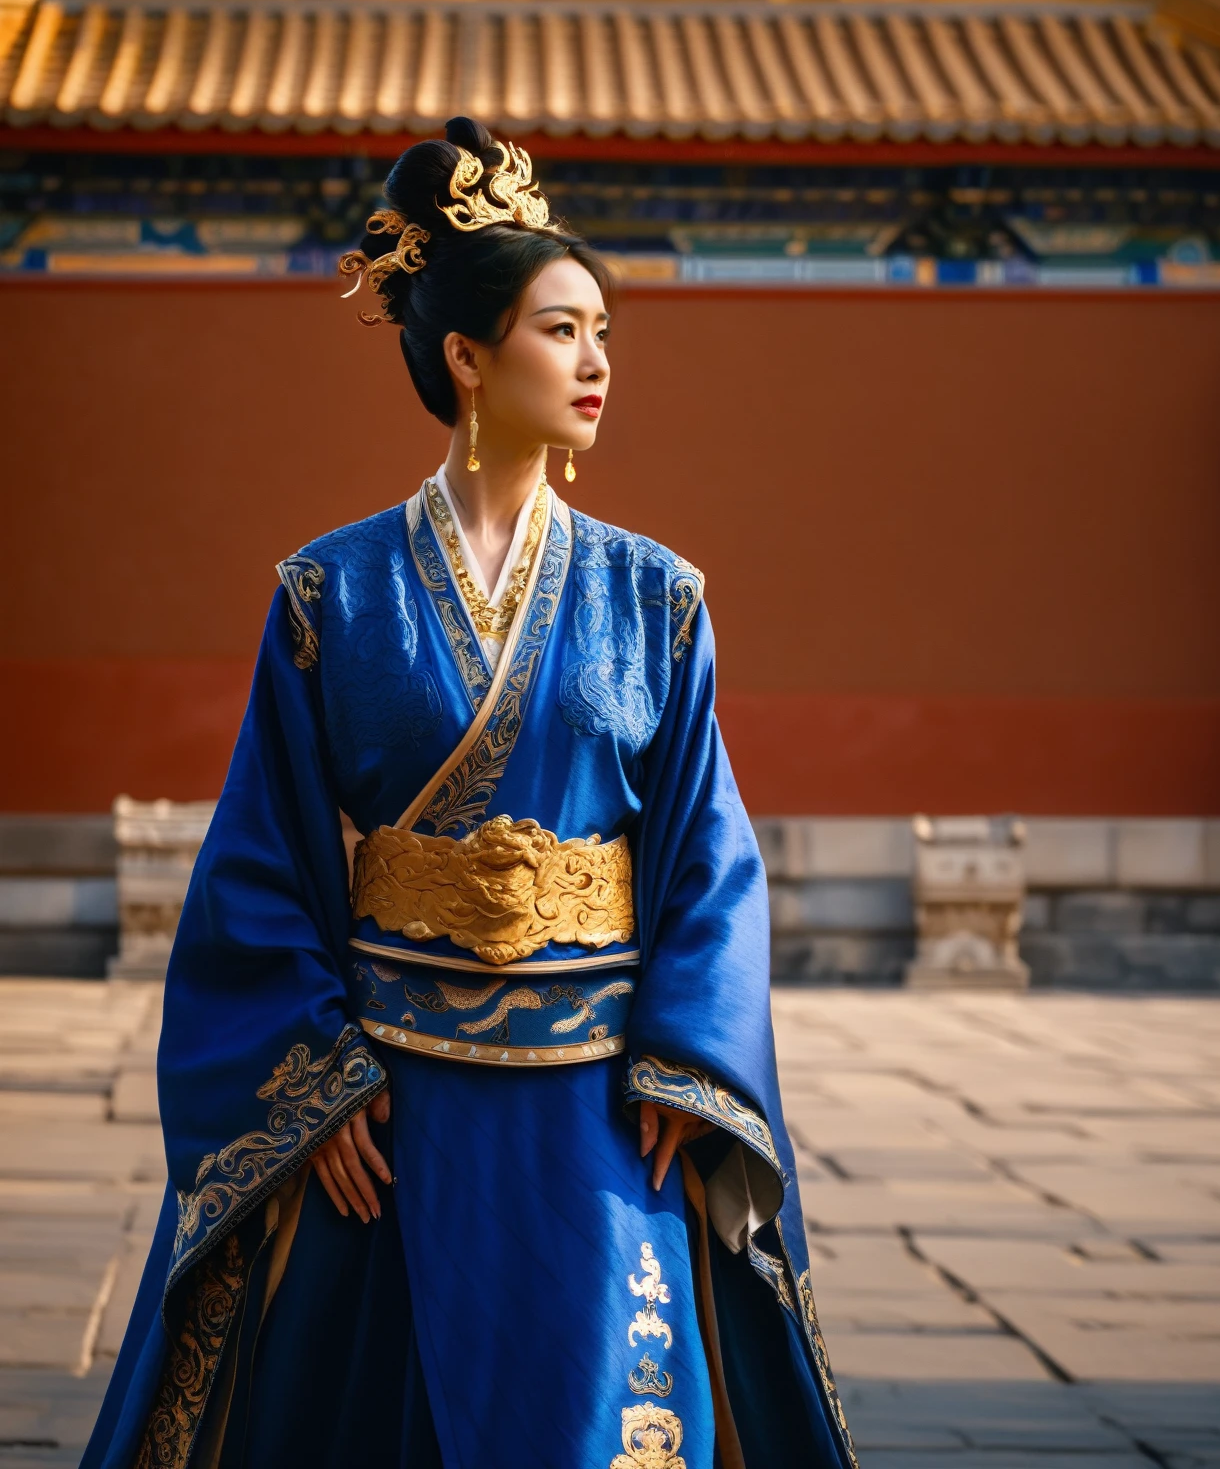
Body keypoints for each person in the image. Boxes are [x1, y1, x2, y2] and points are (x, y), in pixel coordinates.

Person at [81, 118, 858, 1469]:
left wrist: (690, 1057)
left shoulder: (654, 597)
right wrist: (314, 1083)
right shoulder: (333, 593)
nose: (600, 361)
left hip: (598, 1103)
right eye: (563, 330)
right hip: (388, 1109)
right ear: (467, 356)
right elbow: (259, 859)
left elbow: (708, 859)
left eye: (604, 330)